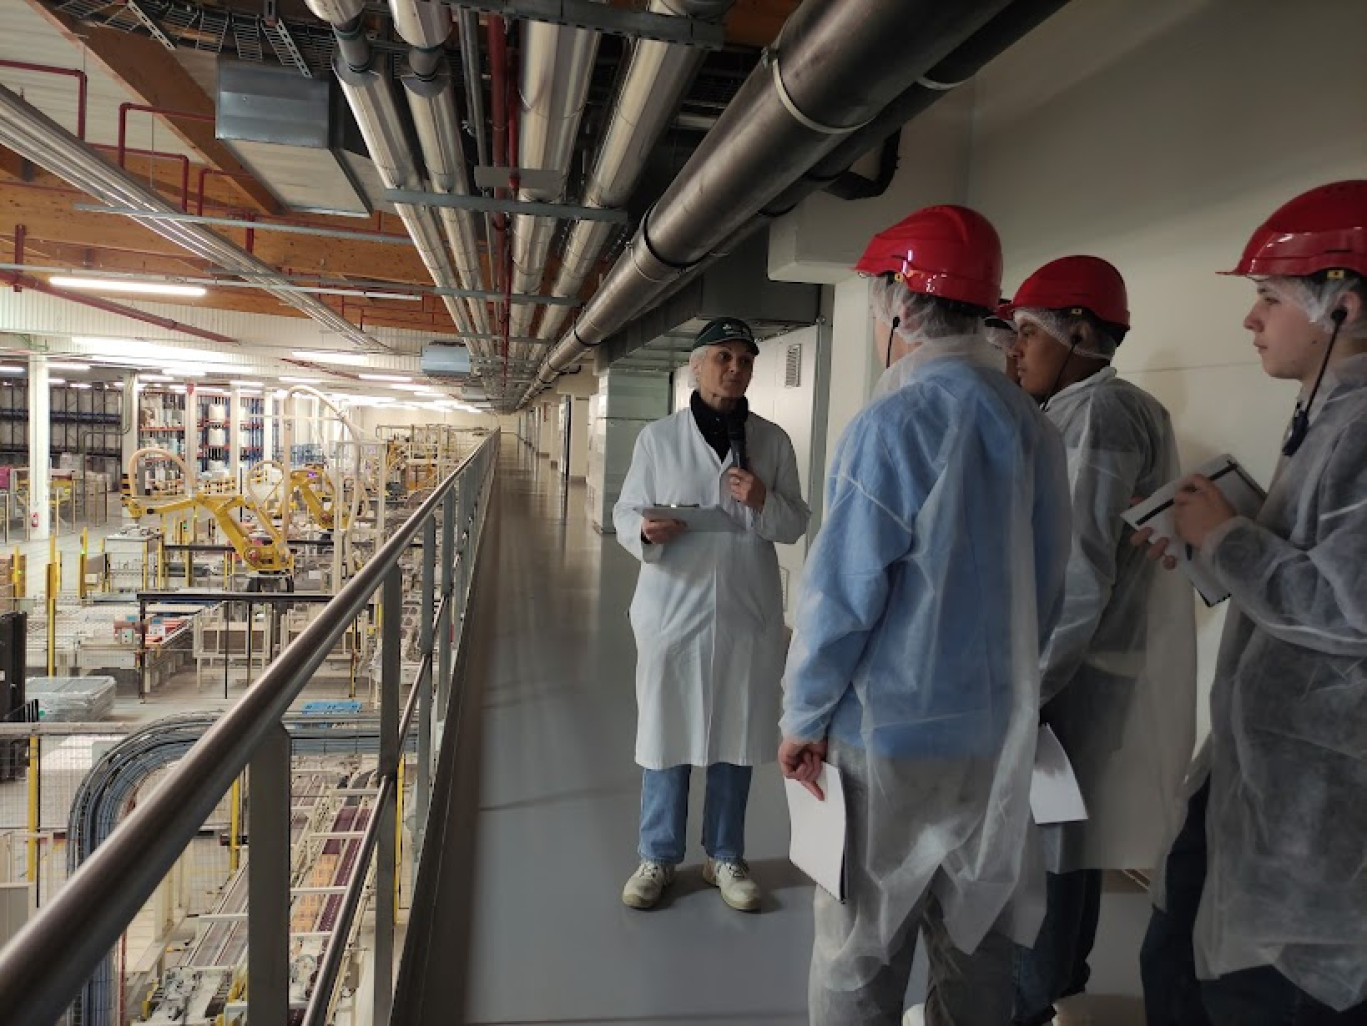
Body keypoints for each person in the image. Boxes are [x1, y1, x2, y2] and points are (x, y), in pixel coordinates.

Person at [778, 205, 1072, 1026]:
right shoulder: (1030, 426)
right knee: (974, 945)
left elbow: (840, 598)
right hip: (991, 738)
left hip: (886, 742)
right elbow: (1049, 585)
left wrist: (802, 717)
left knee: (858, 951)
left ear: (899, 302)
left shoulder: (892, 422)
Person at [1137, 180, 1367, 1025]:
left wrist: (1228, 540)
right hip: (1261, 777)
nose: (1250, 319)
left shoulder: (1362, 425)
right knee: (1179, 961)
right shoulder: (1328, 415)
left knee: (1260, 998)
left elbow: (1349, 611)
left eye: (1268, 297)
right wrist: (1219, 540)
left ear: (1340, 306)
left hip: (1312, 816)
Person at [1005, 256, 1197, 1026]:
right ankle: (1050, 983)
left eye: (1027, 332)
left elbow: (1078, 573)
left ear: (1078, 331)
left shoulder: (1098, 415)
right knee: (1067, 837)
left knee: (1045, 845)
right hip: (1093, 664)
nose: (1015, 349)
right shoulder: (1110, 407)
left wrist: (1031, 686)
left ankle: (1024, 1001)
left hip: (1073, 669)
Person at [613, 316, 810, 913]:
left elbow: (795, 522)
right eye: (723, 357)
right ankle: (657, 856)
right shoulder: (658, 439)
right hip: (673, 608)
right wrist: (643, 531)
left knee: (735, 734)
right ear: (696, 366)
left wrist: (764, 500)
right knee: (667, 732)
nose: (735, 368)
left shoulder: (772, 441)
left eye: (745, 360)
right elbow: (625, 512)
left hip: (744, 610)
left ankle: (725, 856)